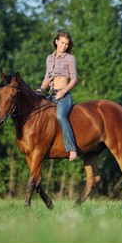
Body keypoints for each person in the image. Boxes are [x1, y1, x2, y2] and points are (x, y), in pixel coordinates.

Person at [35, 30, 78, 161]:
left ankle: (72, 149)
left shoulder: (70, 58)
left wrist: (63, 91)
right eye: (62, 43)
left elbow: (74, 79)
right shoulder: (49, 58)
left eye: (67, 44)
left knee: (60, 116)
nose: (64, 46)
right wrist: (41, 89)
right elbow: (47, 78)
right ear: (56, 42)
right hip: (51, 94)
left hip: (64, 95)